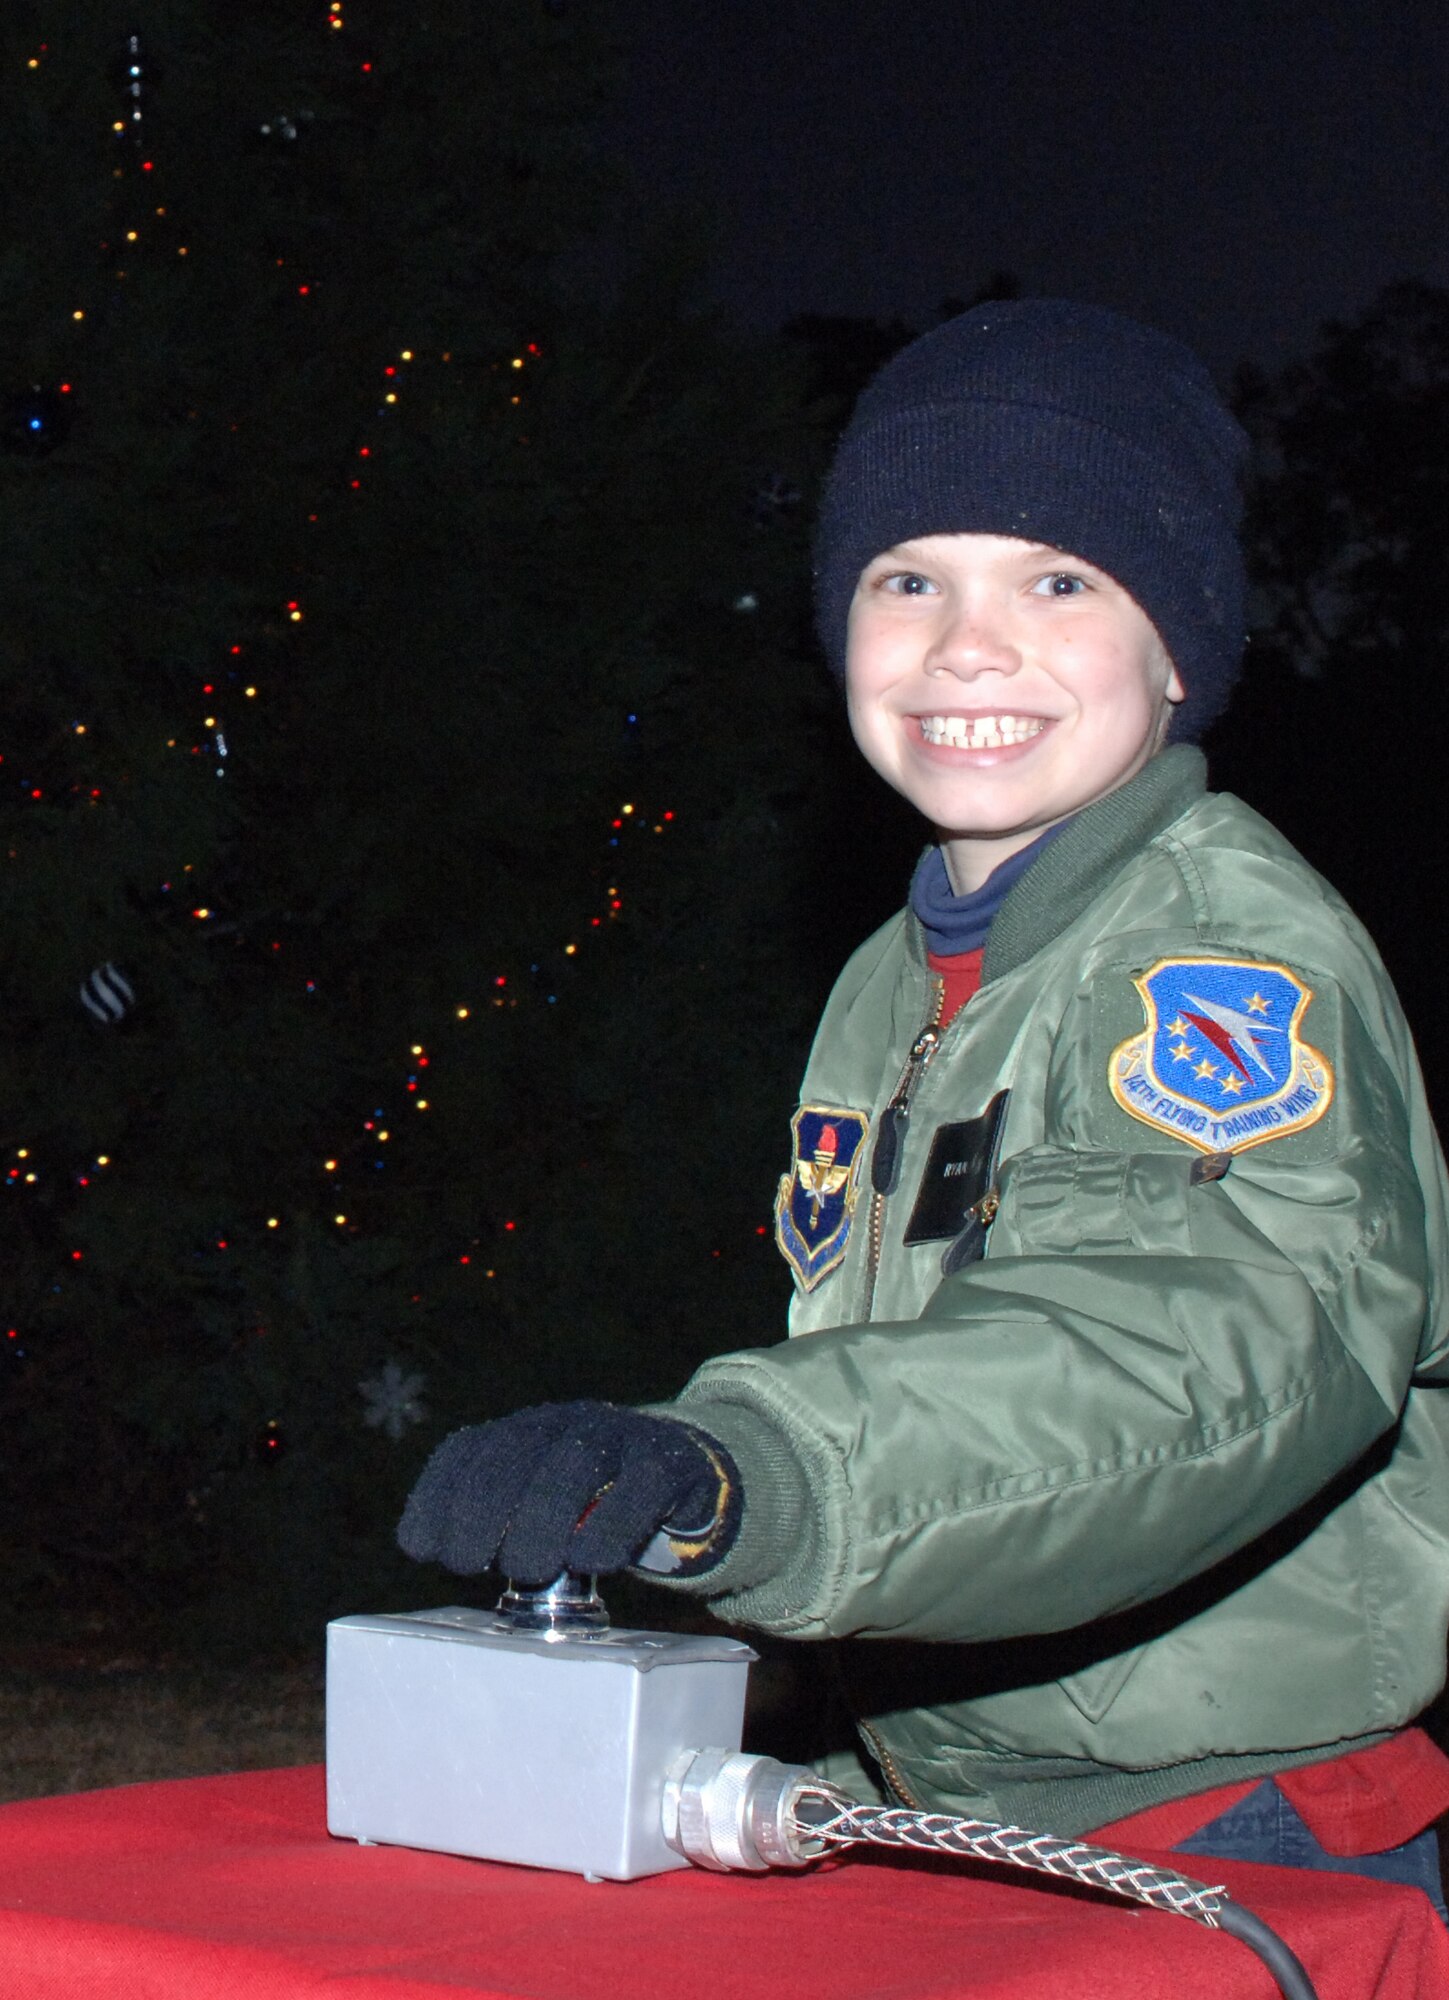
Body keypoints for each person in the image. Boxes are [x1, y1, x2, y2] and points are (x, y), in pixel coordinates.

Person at [398, 300, 1449, 1907]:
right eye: (908, 579)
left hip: (1220, 1815)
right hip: (943, 1782)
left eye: (1057, 578)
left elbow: (1193, 1339)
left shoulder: (1214, 956)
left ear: (1179, 643)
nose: (967, 645)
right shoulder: (898, 970)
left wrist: (754, 1470)